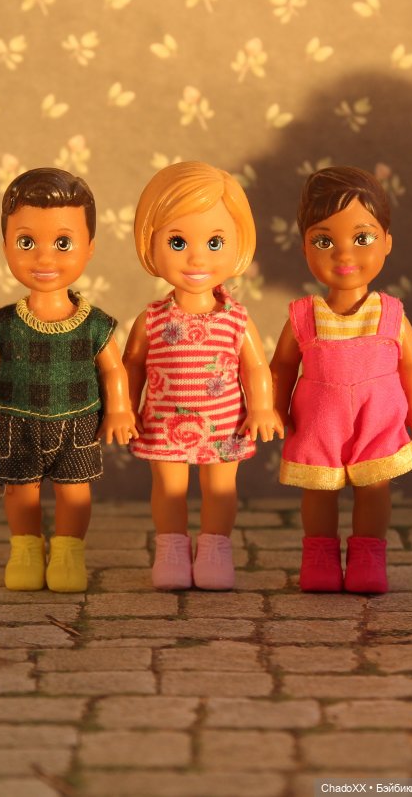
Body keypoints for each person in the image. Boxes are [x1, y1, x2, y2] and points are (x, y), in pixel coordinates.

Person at [0, 167, 136, 593]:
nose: (45, 259)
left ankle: (68, 551)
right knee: (20, 492)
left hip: (79, 423)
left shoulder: (96, 324)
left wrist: (120, 410)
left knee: (75, 493)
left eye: (63, 243)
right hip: (17, 423)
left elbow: (113, 369)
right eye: (26, 242)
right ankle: (26, 549)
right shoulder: (3, 323)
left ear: (89, 248)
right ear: (5, 246)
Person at [269, 165, 412, 593]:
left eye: (362, 239)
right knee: (318, 490)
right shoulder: (304, 315)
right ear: (305, 248)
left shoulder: (390, 313)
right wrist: (272, 407)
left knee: (374, 488)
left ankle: (368, 556)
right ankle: (319, 556)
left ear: (387, 242)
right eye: (324, 241)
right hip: (318, 421)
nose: (344, 255)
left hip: (377, 417)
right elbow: (282, 366)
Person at [123, 161, 282, 591]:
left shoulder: (236, 318)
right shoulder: (152, 318)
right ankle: (171, 549)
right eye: (177, 242)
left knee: (220, 488)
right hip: (164, 420)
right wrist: (124, 408)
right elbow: (132, 364)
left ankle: (215, 548)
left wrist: (262, 408)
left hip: (225, 421)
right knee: (169, 487)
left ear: (238, 244)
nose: (197, 258)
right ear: (150, 242)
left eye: (215, 242)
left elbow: (255, 366)